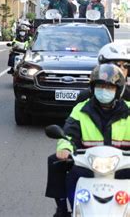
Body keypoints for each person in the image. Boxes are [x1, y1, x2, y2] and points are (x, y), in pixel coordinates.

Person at [45, 63, 130, 217]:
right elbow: (69, 134)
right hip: (90, 166)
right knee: (56, 163)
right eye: (100, 86)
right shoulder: (81, 109)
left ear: (118, 91)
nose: (104, 90)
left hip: (123, 167)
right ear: (92, 88)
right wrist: (65, 148)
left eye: (109, 87)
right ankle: (63, 209)